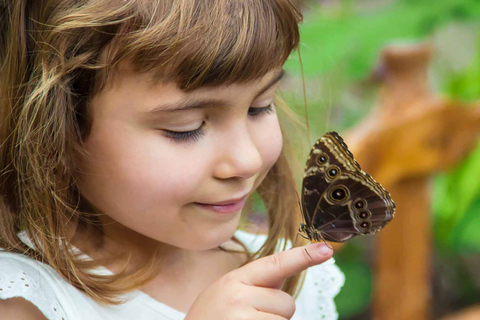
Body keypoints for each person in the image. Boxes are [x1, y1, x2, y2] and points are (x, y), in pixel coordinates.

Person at [0, 1, 344, 319]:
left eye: (260, 106)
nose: (247, 161)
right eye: (186, 128)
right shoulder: (25, 300)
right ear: (55, 129)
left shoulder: (290, 276)